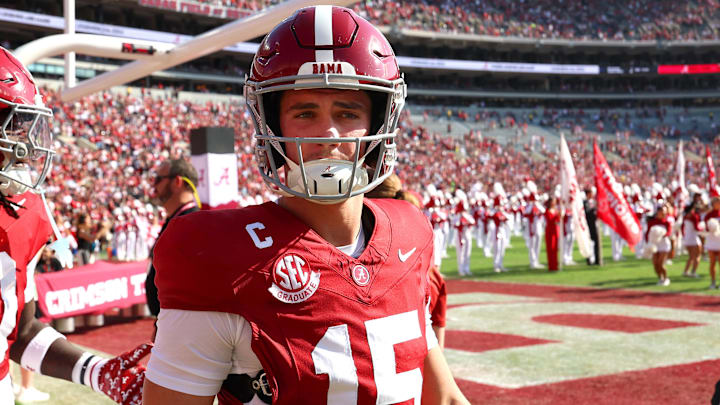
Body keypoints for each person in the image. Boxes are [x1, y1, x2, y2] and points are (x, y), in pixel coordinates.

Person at [143, 6, 469, 404]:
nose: (328, 132)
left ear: (381, 123)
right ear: (272, 125)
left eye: (347, 112)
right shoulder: (218, 256)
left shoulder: (410, 232)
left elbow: (445, 397)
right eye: (305, 112)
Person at [0, 46, 149, 404]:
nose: (20, 149)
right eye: (9, 130)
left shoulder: (24, 215)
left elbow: (19, 333)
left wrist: (97, 371)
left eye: (20, 129)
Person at [144, 158, 200, 317]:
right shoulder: (176, 220)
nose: (154, 185)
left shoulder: (193, 223)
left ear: (177, 181)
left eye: (158, 179)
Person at [645, 203, 672, 286]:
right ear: (658, 212)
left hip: (664, 244)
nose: (664, 214)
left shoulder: (667, 222)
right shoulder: (652, 222)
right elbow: (647, 233)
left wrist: (661, 234)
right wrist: (648, 242)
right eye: (662, 212)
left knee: (661, 263)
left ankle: (666, 278)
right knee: (655, 264)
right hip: (655, 244)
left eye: (665, 212)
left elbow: (668, 233)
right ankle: (661, 278)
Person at [681, 200, 704, 278]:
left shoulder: (685, 216)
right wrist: (703, 229)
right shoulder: (694, 216)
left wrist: (684, 235)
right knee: (698, 255)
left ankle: (685, 271)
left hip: (687, 238)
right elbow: (697, 228)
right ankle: (693, 272)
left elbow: (682, 227)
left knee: (691, 256)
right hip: (694, 238)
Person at [584, 187, 601, 265]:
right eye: (590, 193)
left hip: (595, 225)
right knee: (588, 243)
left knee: (596, 243)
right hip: (588, 225)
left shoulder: (595, 202)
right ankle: (589, 260)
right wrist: (594, 210)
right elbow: (587, 213)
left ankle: (597, 259)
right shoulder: (584, 203)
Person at [544, 196, 560, 271]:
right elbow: (550, 220)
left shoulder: (556, 210)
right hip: (550, 231)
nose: (555, 202)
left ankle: (555, 265)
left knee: (555, 249)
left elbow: (558, 220)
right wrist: (558, 215)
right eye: (554, 201)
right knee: (550, 248)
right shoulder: (547, 211)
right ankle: (551, 266)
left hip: (556, 230)